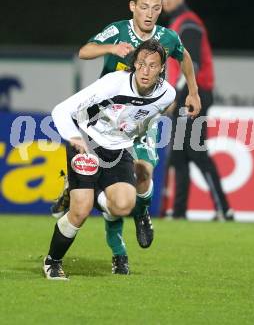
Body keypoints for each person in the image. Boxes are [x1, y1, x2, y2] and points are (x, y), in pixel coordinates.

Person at [50, 0, 201, 273]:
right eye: (143, 7)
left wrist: (193, 91)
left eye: (156, 8)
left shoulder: (167, 38)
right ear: (133, 7)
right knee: (115, 201)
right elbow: (84, 50)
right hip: (106, 119)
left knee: (143, 173)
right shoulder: (118, 30)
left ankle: (142, 214)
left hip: (140, 119)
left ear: (161, 10)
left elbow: (185, 57)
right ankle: (118, 251)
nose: (149, 13)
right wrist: (109, 49)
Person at [43, 39, 176, 280]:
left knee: (123, 205)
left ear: (162, 69)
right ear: (134, 64)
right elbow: (61, 110)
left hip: (119, 149)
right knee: (80, 211)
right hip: (87, 143)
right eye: (142, 64)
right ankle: (52, 261)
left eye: (153, 66)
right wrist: (74, 137)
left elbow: (145, 117)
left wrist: (131, 136)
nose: (146, 71)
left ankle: (84, 191)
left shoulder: (167, 95)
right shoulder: (112, 84)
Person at [160, 0, 234, 221]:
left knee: (194, 150)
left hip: (195, 94)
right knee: (179, 154)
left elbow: (194, 65)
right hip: (187, 94)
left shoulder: (188, 23)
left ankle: (224, 209)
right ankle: (179, 213)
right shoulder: (178, 23)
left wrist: (176, 96)